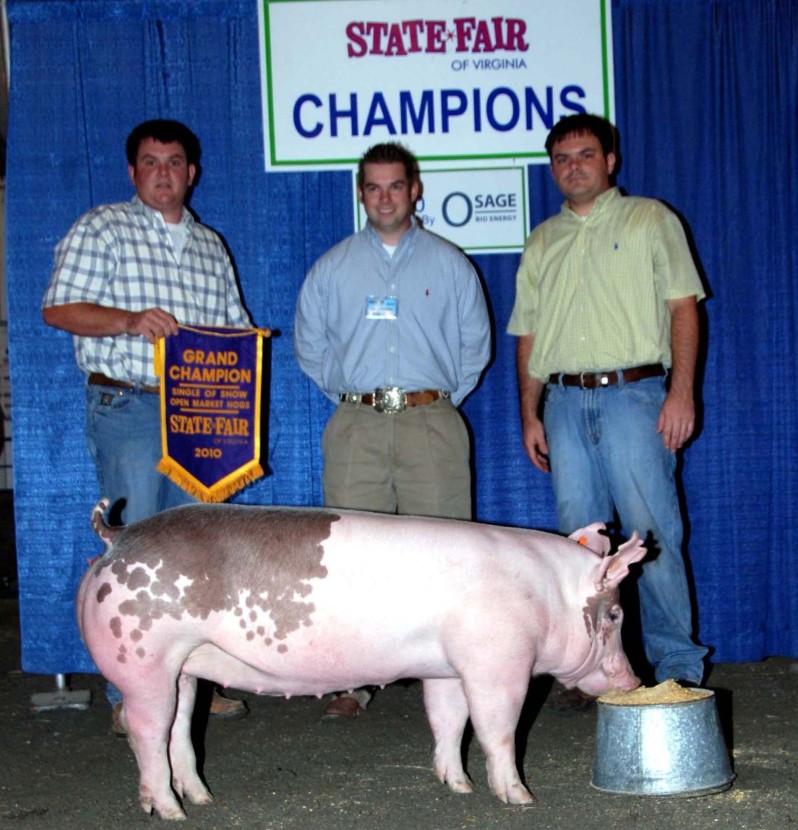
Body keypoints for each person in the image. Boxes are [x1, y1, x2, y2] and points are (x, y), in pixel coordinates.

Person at [42, 118, 251, 732]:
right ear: (133, 172)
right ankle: (129, 696)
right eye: (151, 162)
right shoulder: (102, 227)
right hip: (131, 404)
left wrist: (246, 361)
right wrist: (131, 321)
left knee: (200, 553)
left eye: (175, 161)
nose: (164, 172)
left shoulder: (211, 245)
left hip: (203, 411)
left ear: (192, 172)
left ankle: (195, 683)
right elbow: (58, 308)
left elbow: (232, 330)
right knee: (135, 551)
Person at [508, 113, 708, 709]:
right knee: (582, 546)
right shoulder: (543, 240)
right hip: (564, 403)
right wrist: (530, 412)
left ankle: (678, 665)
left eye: (586, 154)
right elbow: (529, 337)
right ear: (553, 168)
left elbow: (682, 309)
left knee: (655, 536)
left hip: (635, 395)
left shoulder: (652, 219)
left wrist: (682, 392)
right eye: (563, 158)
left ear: (610, 160)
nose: (574, 166)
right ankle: (589, 667)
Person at [294, 141, 491, 719]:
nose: (385, 197)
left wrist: (431, 397)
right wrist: (353, 397)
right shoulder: (332, 267)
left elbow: (474, 347)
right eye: (373, 187)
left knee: (447, 553)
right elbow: (310, 346)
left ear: (415, 190)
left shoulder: (450, 264)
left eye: (396, 186)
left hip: (431, 421)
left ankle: (452, 673)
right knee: (353, 557)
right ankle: (353, 679)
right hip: (356, 424)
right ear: (361, 194)